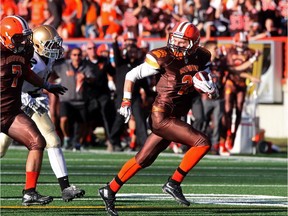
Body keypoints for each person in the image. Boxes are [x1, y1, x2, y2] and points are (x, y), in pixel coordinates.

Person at [98, 21, 218, 216]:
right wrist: (126, 101)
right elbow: (131, 74)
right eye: (175, 40)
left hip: (173, 115)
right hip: (161, 115)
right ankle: (174, 182)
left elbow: (206, 75)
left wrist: (210, 87)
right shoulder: (163, 57)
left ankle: (109, 189)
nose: (176, 45)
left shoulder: (202, 55)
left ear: (194, 44)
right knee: (202, 142)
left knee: (143, 159)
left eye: (182, 42)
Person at [0, 24, 85, 201]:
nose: (54, 49)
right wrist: (25, 96)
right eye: (50, 45)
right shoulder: (26, 56)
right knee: (1, 148)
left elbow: (33, 76)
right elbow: (15, 80)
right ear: (38, 44)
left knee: (49, 140)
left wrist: (47, 87)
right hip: (18, 102)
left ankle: (63, 187)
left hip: (29, 102)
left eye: (55, 45)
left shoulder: (42, 56)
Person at [222, 32, 261, 154]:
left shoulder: (250, 52)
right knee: (227, 109)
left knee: (239, 109)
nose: (242, 44)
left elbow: (256, 58)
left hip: (242, 84)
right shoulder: (229, 51)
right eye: (240, 42)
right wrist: (251, 65)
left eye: (244, 42)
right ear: (235, 41)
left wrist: (254, 59)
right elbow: (233, 69)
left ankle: (233, 134)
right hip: (230, 82)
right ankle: (227, 133)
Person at [51, 47, 96, 150]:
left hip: (81, 100)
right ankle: (66, 138)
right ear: (70, 56)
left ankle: (78, 141)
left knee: (83, 123)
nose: (77, 57)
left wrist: (86, 77)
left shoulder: (86, 67)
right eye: (74, 55)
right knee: (63, 119)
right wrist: (50, 84)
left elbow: (93, 78)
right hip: (66, 99)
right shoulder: (63, 66)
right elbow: (50, 70)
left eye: (79, 55)